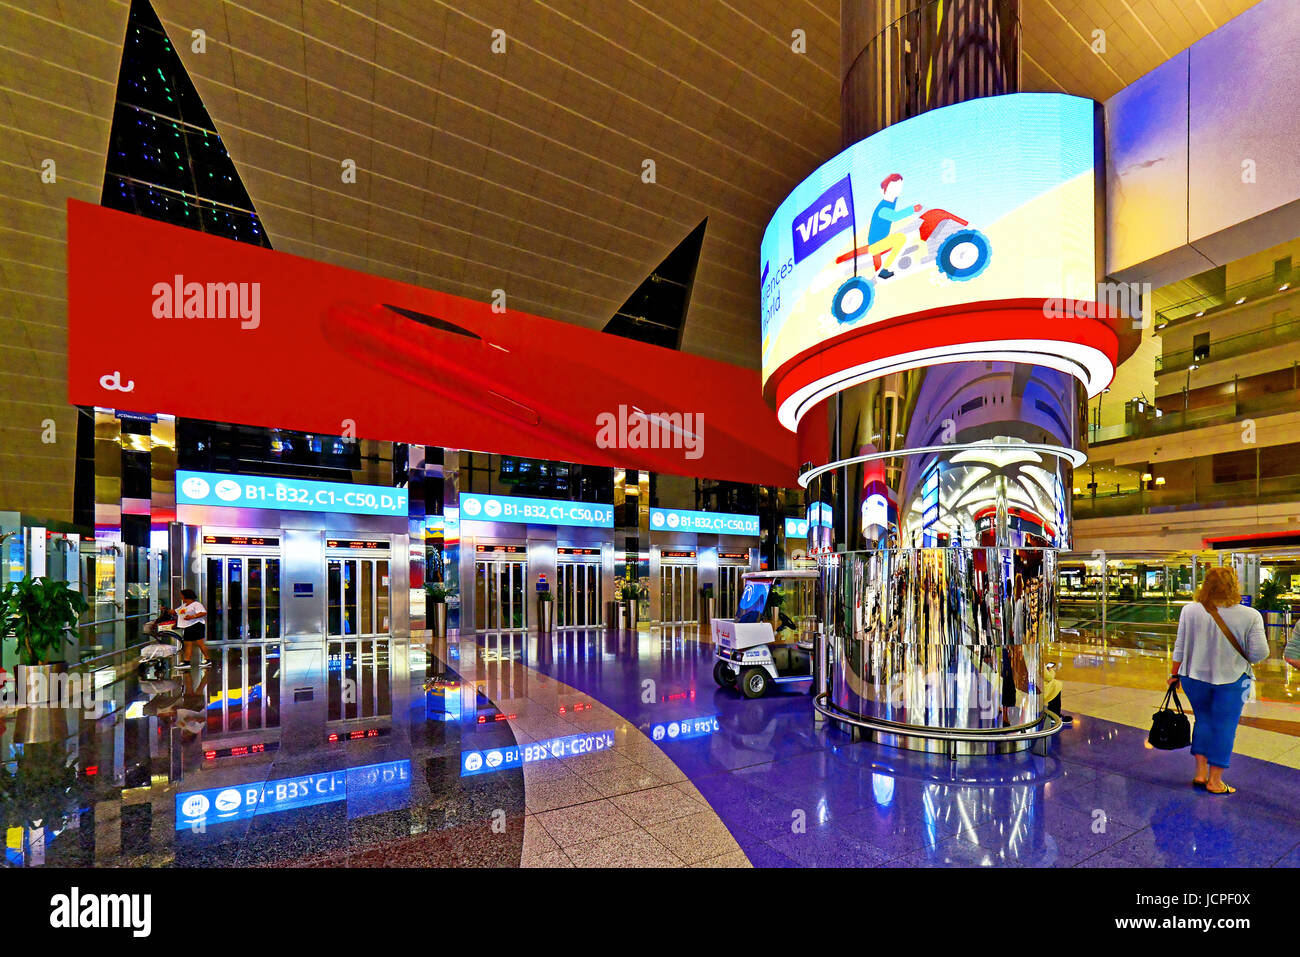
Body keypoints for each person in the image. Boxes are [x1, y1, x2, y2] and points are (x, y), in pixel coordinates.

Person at [1169, 567, 1269, 795]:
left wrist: (1174, 674)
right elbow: (1258, 654)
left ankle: (1200, 773)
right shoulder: (1250, 615)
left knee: (1203, 721)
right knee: (1225, 727)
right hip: (1234, 680)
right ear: (1235, 585)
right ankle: (1215, 781)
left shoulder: (1189, 611)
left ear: (1205, 584)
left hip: (1194, 677)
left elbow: (1180, 647)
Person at [867, 173, 922, 280]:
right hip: (875, 244)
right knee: (900, 239)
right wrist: (913, 209)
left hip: (882, 239)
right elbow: (895, 217)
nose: (898, 189)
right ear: (886, 189)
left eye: (899, 186)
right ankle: (885, 269)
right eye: (895, 187)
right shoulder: (883, 208)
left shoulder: (891, 201)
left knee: (902, 236)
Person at [174, 587, 215, 669]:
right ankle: (187, 662)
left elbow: (203, 613)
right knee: (187, 644)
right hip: (187, 626)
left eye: (181, 595)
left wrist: (193, 616)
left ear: (186, 596)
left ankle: (208, 660)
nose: (180, 597)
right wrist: (166, 610)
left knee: (200, 644)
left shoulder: (196, 604)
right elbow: (175, 611)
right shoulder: (184, 605)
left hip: (197, 625)